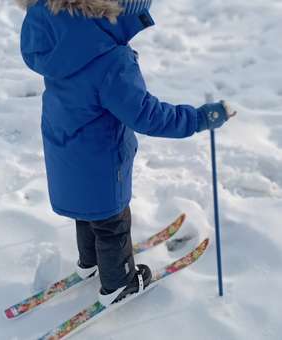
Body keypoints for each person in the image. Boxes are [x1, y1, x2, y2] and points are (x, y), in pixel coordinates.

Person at [17, 0, 236, 306]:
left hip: (64, 146)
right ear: (116, 11)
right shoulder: (110, 60)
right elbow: (148, 115)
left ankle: (89, 262)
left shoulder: (56, 33)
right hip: (101, 157)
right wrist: (198, 119)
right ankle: (119, 283)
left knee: (87, 209)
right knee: (112, 221)